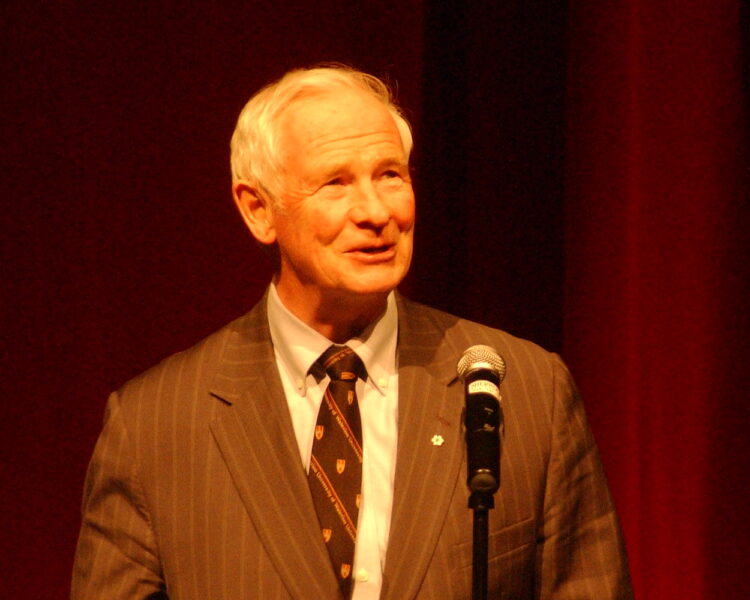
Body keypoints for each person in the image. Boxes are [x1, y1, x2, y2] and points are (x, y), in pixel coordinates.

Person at [71, 65, 632, 600]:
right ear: (258, 210)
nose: (374, 211)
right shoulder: (155, 426)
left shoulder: (529, 391)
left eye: (390, 174)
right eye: (335, 182)